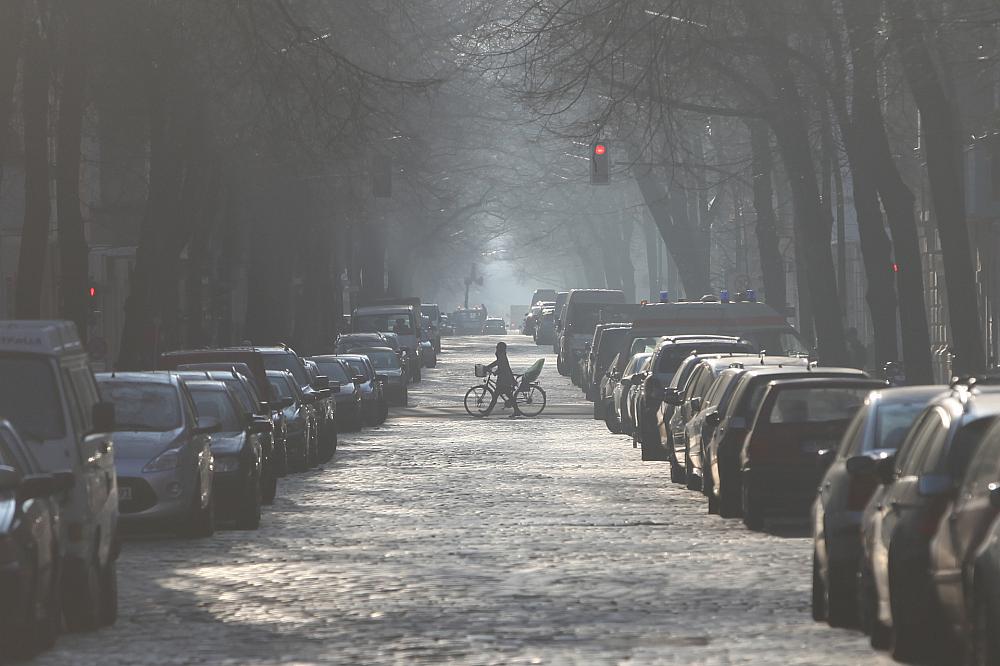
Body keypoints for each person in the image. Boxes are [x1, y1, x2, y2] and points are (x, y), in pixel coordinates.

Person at [484, 341, 521, 416]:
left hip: (504, 380)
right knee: (508, 396)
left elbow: (500, 365)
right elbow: (500, 364)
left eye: (497, 347)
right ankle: (517, 411)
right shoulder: (502, 355)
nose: (496, 348)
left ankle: (487, 412)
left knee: (495, 397)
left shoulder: (501, 356)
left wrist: (489, 367)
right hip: (505, 379)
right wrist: (493, 369)